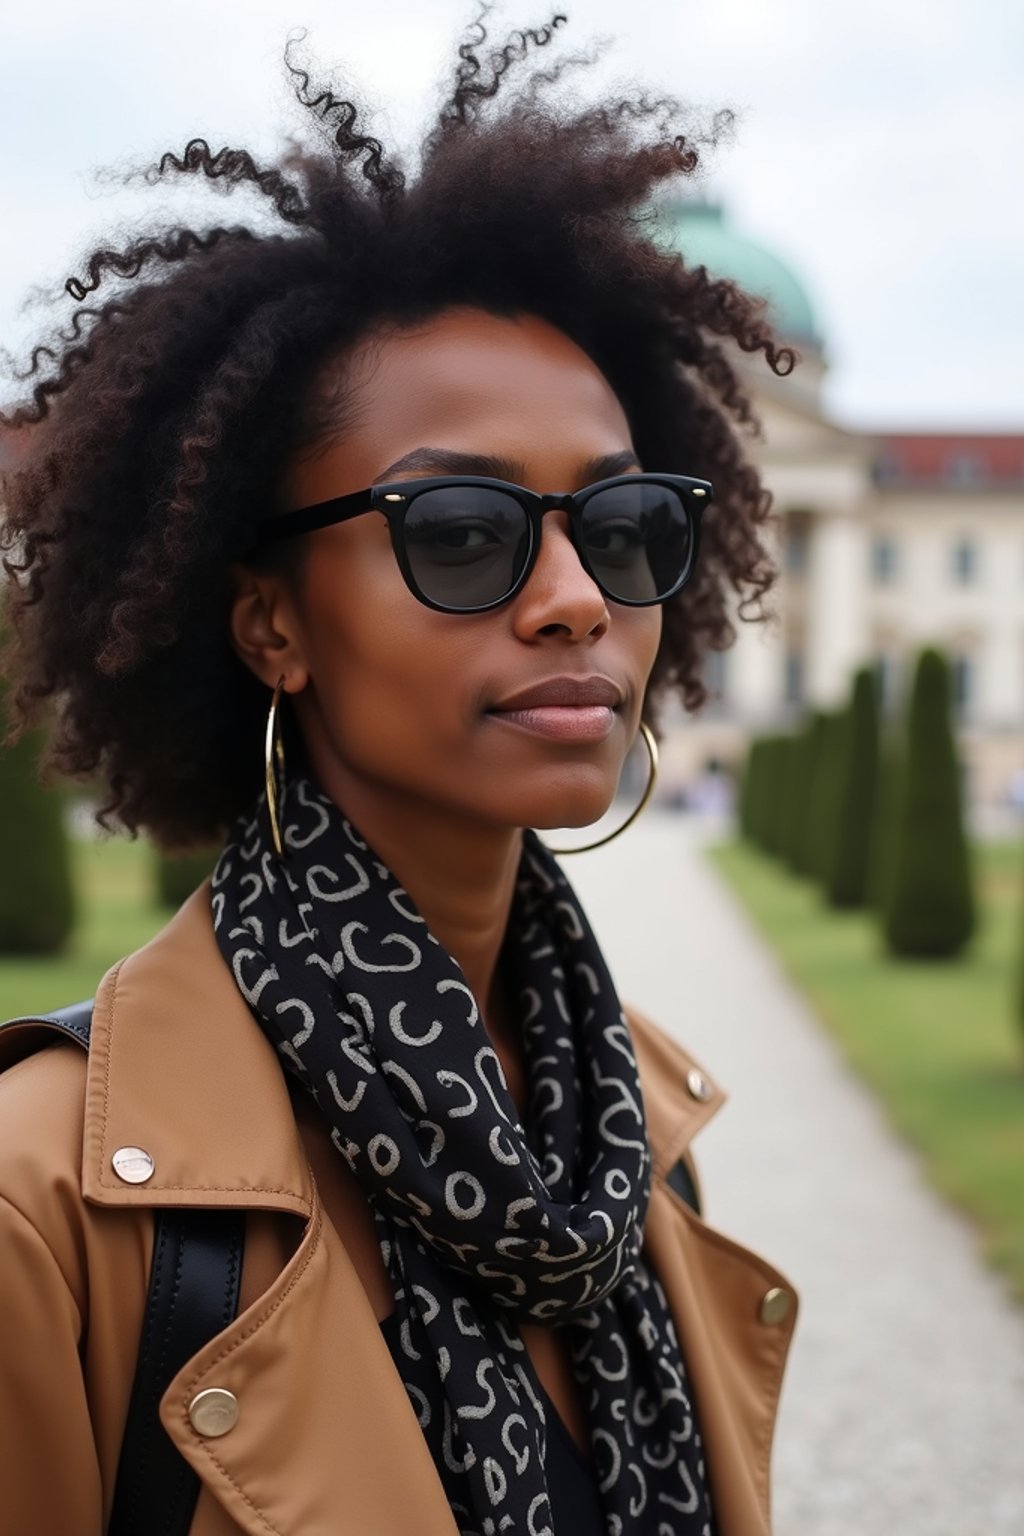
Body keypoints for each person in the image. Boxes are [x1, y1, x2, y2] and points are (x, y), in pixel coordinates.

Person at [0, 13, 797, 1535]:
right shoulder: (45, 1205)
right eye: (460, 533)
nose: (576, 597)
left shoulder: (636, 1138)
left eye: (620, 526)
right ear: (270, 620)